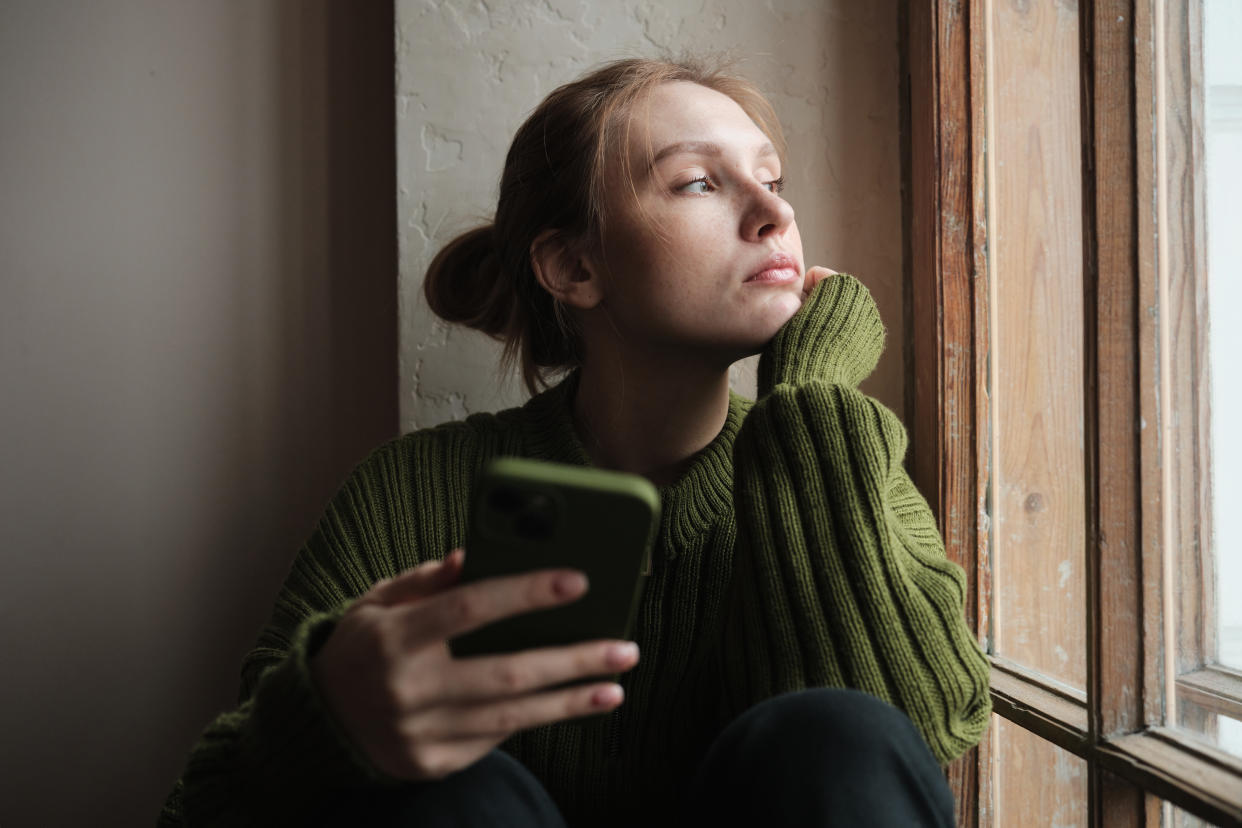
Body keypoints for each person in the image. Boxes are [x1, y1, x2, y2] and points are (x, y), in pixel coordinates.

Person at [159, 57, 991, 827]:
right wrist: (331, 719)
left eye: (772, 179)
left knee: (833, 732)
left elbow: (904, 744)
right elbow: (207, 809)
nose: (776, 211)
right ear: (573, 269)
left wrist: (810, 402)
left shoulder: (840, 460)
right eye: (700, 182)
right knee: (445, 784)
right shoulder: (417, 493)